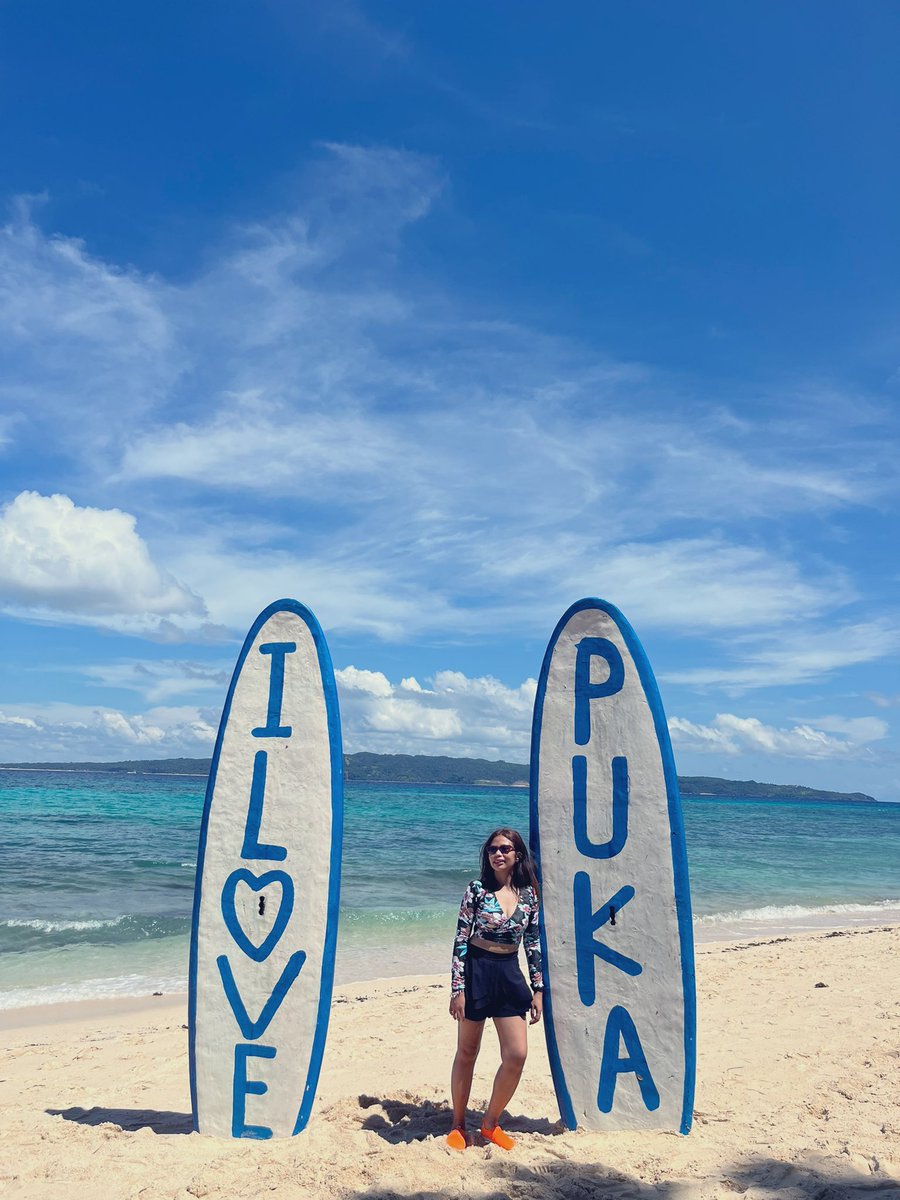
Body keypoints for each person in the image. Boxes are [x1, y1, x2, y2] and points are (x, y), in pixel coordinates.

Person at [447, 827, 543, 1151]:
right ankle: (458, 1124)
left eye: (504, 848)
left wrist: (539, 988)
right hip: (477, 971)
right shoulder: (476, 890)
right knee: (467, 1052)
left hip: (508, 973)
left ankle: (489, 1123)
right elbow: (461, 939)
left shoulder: (530, 894)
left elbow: (532, 942)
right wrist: (457, 989)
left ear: (517, 854)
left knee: (516, 1054)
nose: (498, 854)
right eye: (492, 850)